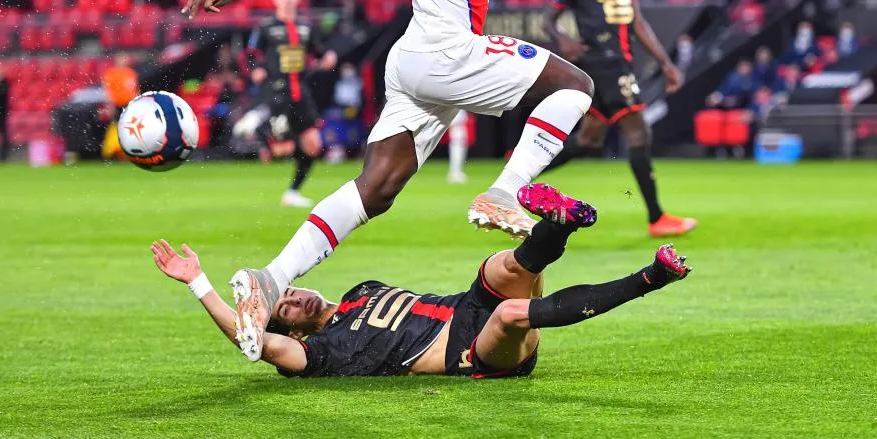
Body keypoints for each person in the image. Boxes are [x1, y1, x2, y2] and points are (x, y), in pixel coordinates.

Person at [183, 0, 664, 361]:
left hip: (419, 65)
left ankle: (269, 277)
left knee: (379, 187)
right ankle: (506, 191)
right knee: (577, 86)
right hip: (443, 55)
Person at [151, 184, 691, 374]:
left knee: (502, 268)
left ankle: (560, 224)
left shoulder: (360, 292)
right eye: (283, 308)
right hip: (472, 352)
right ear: (291, 333)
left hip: (465, 303)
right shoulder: (320, 356)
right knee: (511, 313)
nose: (288, 294)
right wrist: (201, 284)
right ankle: (650, 276)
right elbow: (252, 343)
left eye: (286, 291)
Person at [540, 0, 696, 237]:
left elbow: (636, 20)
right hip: (602, 61)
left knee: (588, 139)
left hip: (621, 60)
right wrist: (563, 40)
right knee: (640, 132)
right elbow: (547, 20)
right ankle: (657, 218)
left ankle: (517, 178)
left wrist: (666, 63)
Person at [248, 0, 338, 208]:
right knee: (281, 150)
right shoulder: (266, 27)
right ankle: (259, 129)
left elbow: (319, 51)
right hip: (277, 90)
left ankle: (292, 192)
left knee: (313, 145)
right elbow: (250, 54)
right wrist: (256, 69)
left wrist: (328, 57)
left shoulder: (306, 27)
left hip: (302, 91)